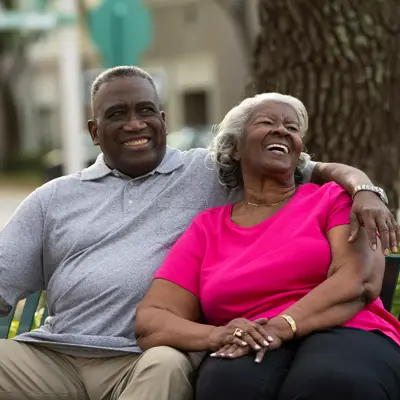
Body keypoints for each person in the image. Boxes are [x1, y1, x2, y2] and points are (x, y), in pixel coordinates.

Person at [0, 66, 397, 400]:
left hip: (140, 360)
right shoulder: (53, 198)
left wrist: (364, 187)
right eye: (117, 114)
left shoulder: (205, 172)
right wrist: (224, 335)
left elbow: (301, 164)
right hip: (55, 354)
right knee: (229, 381)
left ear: (164, 120)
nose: (135, 123)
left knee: (318, 379)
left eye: (146, 111)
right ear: (93, 130)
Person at [136, 92, 400, 400]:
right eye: (267, 122)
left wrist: (282, 325)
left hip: (347, 329)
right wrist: (218, 335)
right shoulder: (208, 227)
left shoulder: (331, 199)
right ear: (234, 148)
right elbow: (153, 320)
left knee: (327, 382)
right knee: (226, 386)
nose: (282, 130)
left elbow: (360, 281)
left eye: (291, 127)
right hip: (251, 339)